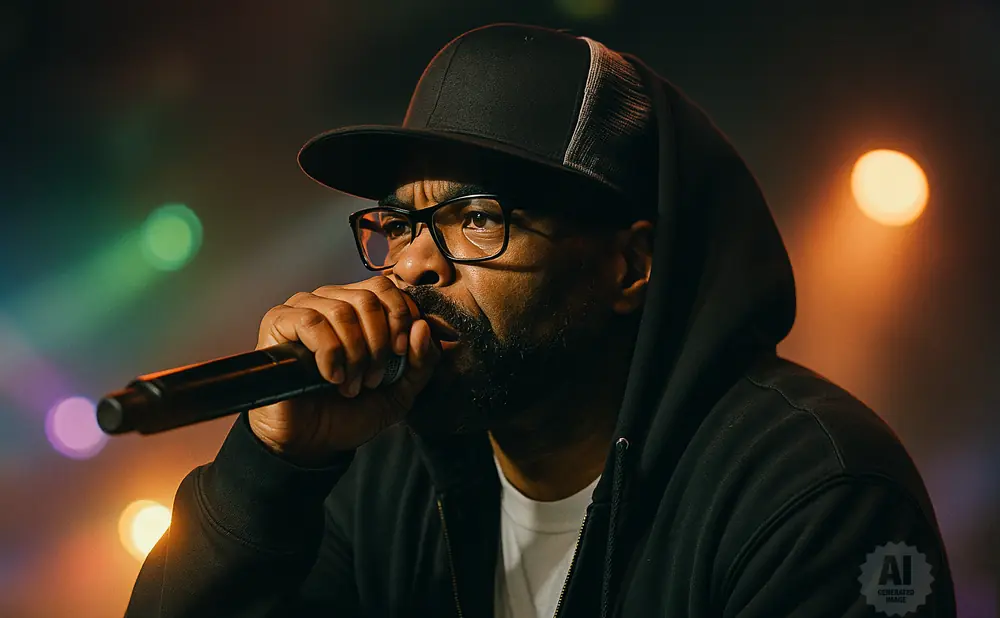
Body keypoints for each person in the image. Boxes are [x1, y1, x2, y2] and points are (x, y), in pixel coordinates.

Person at [125, 23, 956, 618]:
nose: (413, 263)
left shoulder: (814, 491)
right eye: (401, 224)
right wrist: (271, 471)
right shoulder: (380, 468)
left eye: (477, 218)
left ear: (628, 267)